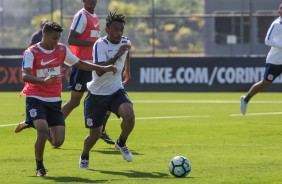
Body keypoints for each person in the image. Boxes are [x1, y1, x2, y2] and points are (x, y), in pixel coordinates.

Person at [20, 21, 116, 176]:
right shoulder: (32, 52)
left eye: (58, 38)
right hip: (35, 97)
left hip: (54, 100)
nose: (56, 42)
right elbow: (25, 75)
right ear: (44, 35)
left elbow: (80, 64)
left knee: (57, 142)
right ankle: (40, 167)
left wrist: (101, 68)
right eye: (53, 38)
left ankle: (32, 123)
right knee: (43, 132)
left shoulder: (61, 49)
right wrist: (43, 81)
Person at [79, 12, 134, 170]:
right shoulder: (100, 44)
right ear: (107, 29)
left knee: (129, 116)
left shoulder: (125, 41)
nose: (119, 33)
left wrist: (127, 71)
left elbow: (127, 52)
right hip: (97, 94)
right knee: (95, 134)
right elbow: (100, 70)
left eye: (121, 30)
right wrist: (117, 56)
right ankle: (85, 154)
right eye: (115, 29)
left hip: (116, 90)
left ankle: (121, 142)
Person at [62, 0, 115, 145]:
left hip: (95, 64)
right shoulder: (82, 15)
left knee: (107, 96)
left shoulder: (94, 15)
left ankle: (101, 131)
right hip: (83, 64)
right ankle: (53, 125)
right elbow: (71, 39)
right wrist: (95, 44)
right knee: (74, 102)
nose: (93, 1)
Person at [240, 3, 282, 115]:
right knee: (265, 83)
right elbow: (268, 40)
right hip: (275, 61)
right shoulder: (277, 24)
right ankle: (246, 99)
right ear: (279, 12)